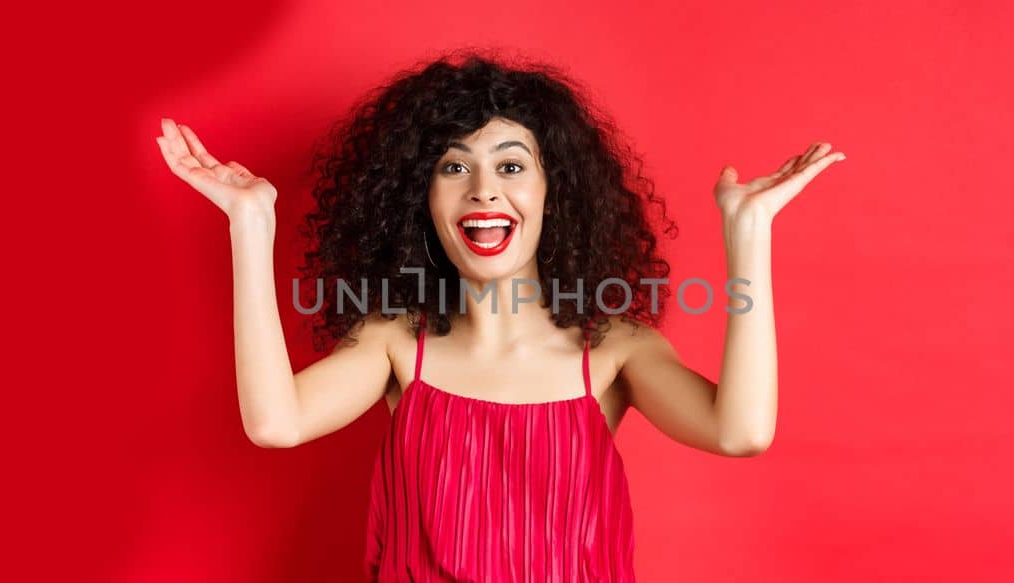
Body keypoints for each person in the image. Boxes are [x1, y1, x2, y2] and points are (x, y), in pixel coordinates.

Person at [154, 51, 846, 582]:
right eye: (453, 169)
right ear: (420, 199)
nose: (483, 190)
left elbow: (742, 431)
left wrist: (747, 231)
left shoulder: (613, 351)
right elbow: (276, 422)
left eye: (512, 166)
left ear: (555, 190)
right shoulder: (398, 343)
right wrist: (251, 224)